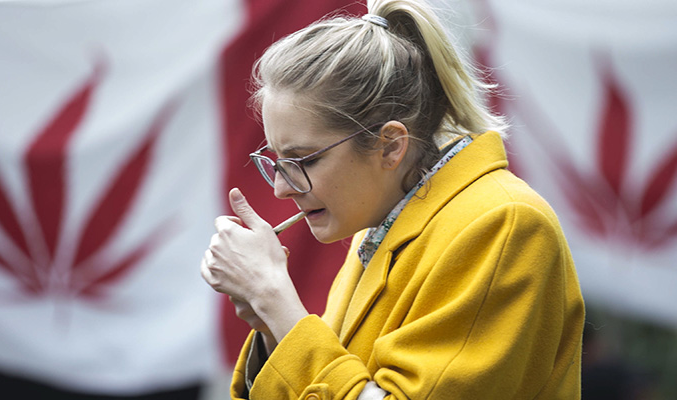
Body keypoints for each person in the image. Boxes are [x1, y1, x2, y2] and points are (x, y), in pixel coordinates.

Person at [200, 0, 585, 398]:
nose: (281, 188)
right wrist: (269, 325)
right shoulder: (383, 226)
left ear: (390, 146)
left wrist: (275, 300)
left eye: (304, 160)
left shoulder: (504, 224)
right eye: (277, 161)